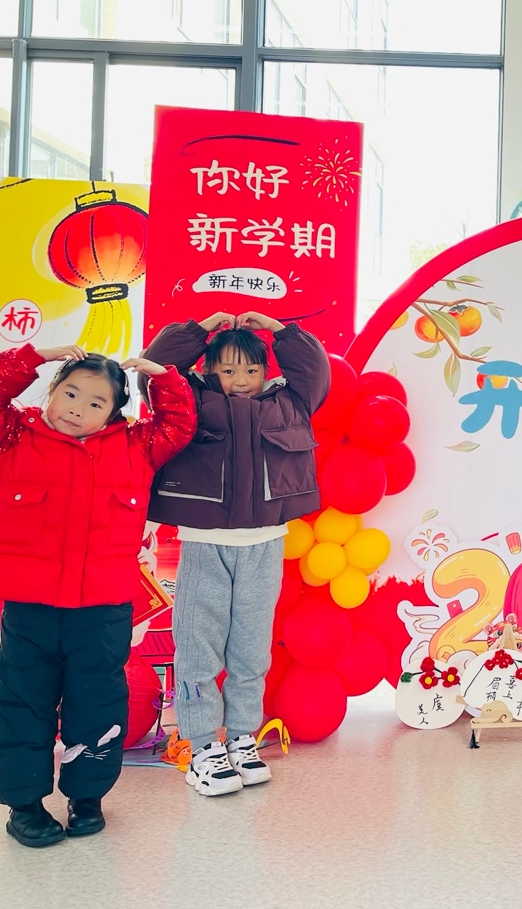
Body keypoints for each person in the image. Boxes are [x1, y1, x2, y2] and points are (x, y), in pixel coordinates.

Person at [0, 343, 195, 848]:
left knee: (98, 704)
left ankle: (87, 798)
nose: (77, 408)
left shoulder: (135, 447)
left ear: (113, 413)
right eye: (70, 393)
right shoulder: (9, 435)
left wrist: (162, 377)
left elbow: (179, 424)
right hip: (30, 607)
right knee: (24, 704)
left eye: (95, 402)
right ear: (51, 391)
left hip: (102, 609)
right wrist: (34, 355)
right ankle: (24, 806)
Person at [142, 311, 330, 797]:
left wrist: (278, 329)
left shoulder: (290, 401)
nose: (241, 380)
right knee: (198, 646)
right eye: (227, 370)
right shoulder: (190, 400)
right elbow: (155, 369)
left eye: (251, 369)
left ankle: (243, 738)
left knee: (251, 649)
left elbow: (315, 369)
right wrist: (198, 330)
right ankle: (203, 745)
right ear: (209, 370)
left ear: (266, 371)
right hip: (206, 543)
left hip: (264, 545)